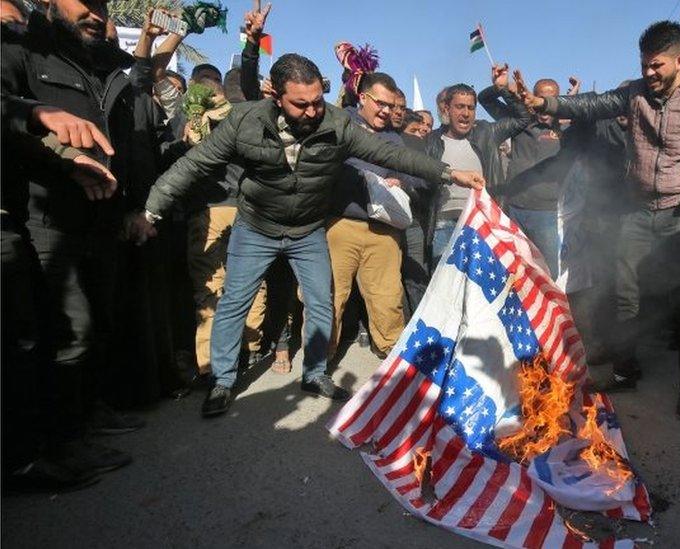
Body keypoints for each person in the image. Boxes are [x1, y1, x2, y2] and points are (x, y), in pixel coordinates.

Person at [139, 54, 485, 418]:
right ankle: (223, 381)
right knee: (235, 302)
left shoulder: (337, 124)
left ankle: (315, 373)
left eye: (317, 101)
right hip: (256, 227)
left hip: (307, 230)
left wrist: (449, 173)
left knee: (321, 301)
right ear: (277, 99)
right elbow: (194, 164)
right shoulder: (245, 121)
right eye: (300, 104)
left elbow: (390, 154)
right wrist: (151, 209)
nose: (311, 111)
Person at [521, 21, 680, 421]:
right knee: (624, 293)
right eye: (643, 65)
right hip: (637, 211)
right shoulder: (633, 93)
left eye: (656, 65)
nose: (648, 73)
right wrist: (547, 105)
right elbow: (592, 104)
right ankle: (626, 369)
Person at [1, 0, 162, 475]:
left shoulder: (111, 66)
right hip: (47, 218)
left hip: (105, 219)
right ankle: (59, 445)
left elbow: (129, 146)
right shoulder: (21, 47)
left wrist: (135, 205)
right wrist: (37, 113)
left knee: (100, 327)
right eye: (82, 2)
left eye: (100, 4)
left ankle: (87, 414)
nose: (93, 12)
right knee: (70, 332)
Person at [327, 72, 420, 358]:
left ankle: (391, 354)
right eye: (381, 103)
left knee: (387, 298)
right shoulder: (338, 121)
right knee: (330, 296)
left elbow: (410, 174)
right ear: (363, 98)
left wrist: (400, 181)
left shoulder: (393, 138)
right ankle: (320, 360)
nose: (387, 111)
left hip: (384, 230)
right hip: (341, 223)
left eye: (392, 106)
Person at [425, 79, 531, 265]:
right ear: (446, 109)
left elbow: (523, 118)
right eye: (459, 107)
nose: (465, 113)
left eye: (470, 108)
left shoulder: (487, 133)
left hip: (482, 224)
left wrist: (501, 88)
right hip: (443, 226)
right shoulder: (430, 141)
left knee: (479, 289)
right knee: (445, 287)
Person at [480, 68, 567, 273]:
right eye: (541, 98)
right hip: (515, 210)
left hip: (547, 213)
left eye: (552, 99)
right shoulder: (520, 122)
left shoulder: (567, 130)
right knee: (515, 270)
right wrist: (501, 87)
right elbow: (485, 100)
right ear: (533, 98)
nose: (545, 106)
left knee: (549, 272)